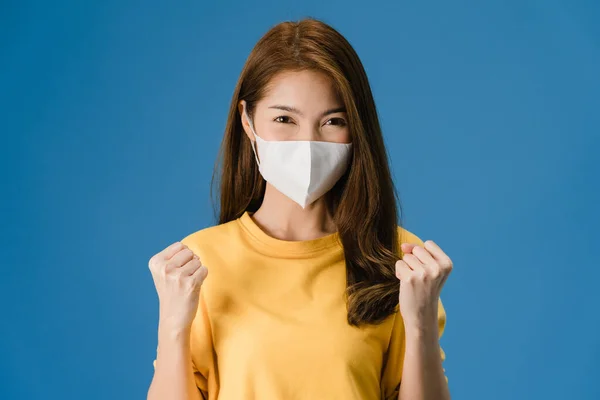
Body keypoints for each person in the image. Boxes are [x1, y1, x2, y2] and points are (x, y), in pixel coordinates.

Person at [147, 17, 452, 400]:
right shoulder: (197, 264)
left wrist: (420, 322)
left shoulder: (398, 261)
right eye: (284, 119)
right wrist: (173, 328)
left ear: (356, 129)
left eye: (332, 121)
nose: (307, 143)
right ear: (247, 119)